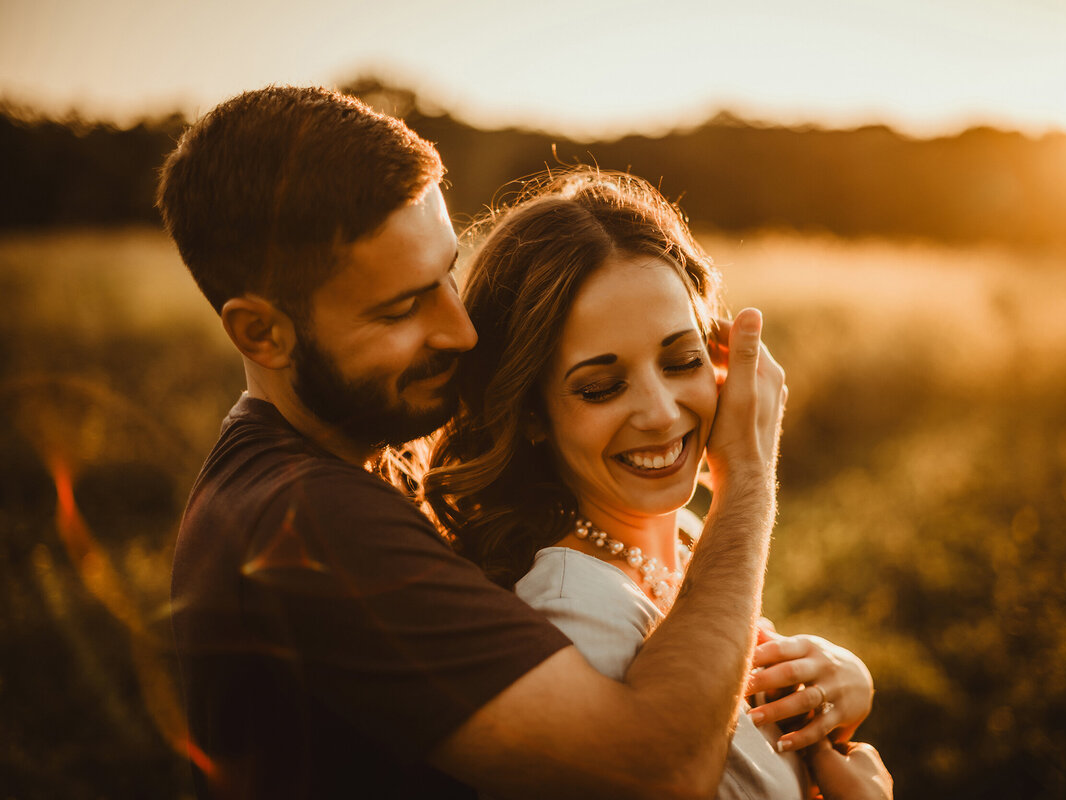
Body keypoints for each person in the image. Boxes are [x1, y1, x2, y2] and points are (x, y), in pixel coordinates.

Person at [158, 84, 874, 799]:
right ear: (261, 332)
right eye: (404, 307)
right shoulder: (306, 523)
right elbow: (656, 772)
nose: (461, 332)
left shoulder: (332, 472)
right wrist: (748, 479)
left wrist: (831, 681)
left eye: (447, 276)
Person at [425, 169, 892, 799]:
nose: (662, 412)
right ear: (530, 414)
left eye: (682, 361)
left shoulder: (692, 539)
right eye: (600, 386)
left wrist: (837, 685)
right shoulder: (575, 606)